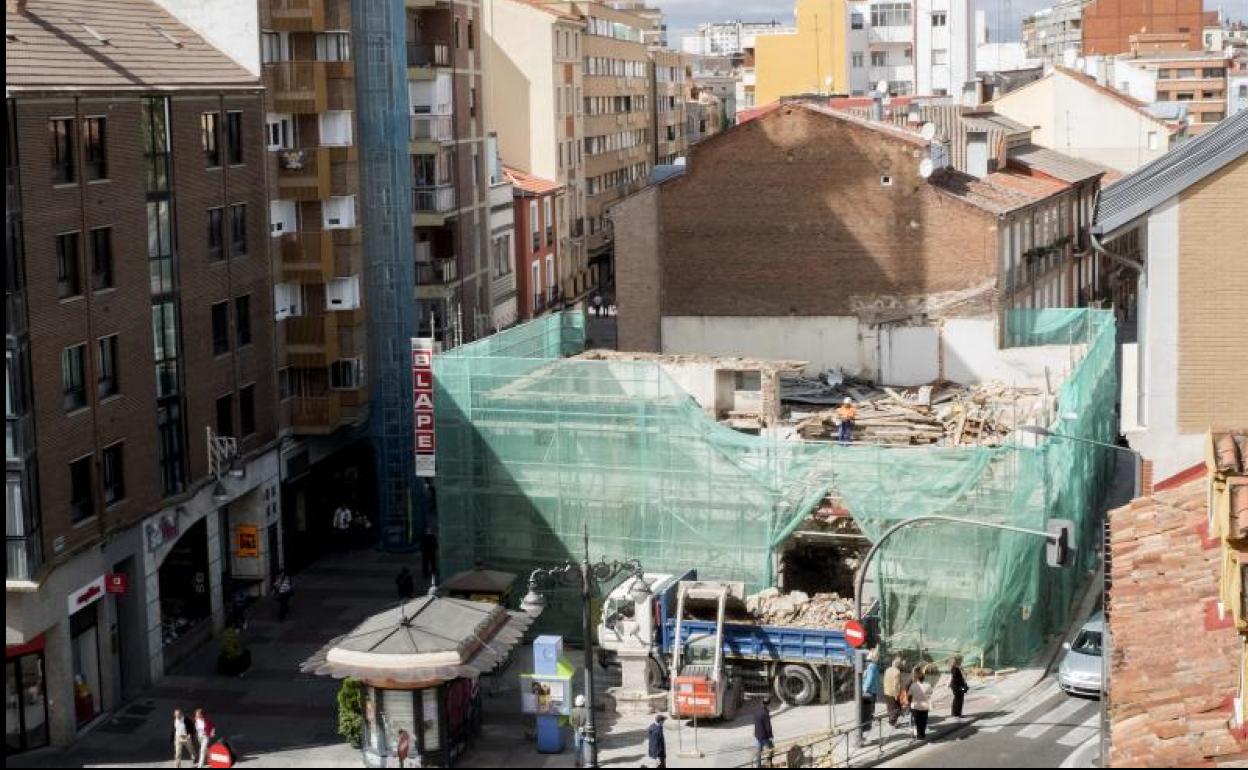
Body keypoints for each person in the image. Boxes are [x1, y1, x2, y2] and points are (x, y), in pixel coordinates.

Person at [861, 649, 883, 740]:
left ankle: (862, 734)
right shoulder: (874, 666)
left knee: (866, 712)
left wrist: (864, 689)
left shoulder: (871, 666)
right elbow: (872, 679)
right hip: (871, 692)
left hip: (869, 692)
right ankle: (862, 734)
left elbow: (869, 679)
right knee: (868, 711)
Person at [907, 666, 933, 740]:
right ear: (924, 678)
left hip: (915, 706)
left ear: (917, 678)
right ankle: (922, 734)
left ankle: (919, 735)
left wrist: (909, 703)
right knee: (923, 721)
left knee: (917, 721)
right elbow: (931, 693)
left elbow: (909, 695)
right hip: (925, 706)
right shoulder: (928, 685)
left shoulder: (913, 685)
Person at [752, 698, 774, 768]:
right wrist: (770, 736)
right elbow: (768, 727)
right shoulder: (765, 714)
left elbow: (756, 723)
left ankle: (758, 766)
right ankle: (769, 761)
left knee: (759, 751)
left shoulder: (757, 711)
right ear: (767, 704)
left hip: (758, 735)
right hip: (764, 736)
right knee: (772, 748)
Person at [569, 693, 590, 767]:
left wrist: (576, 727)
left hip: (577, 731)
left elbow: (571, 722)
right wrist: (583, 728)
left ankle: (577, 761)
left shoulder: (573, 711)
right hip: (585, 731)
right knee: (585, 747)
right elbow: (588, 722)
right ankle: (586, 761)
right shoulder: (586, 711)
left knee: (577, 747)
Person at [883, 655, 904, 727]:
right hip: (893, 693)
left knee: (890, 708)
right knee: (898, 709)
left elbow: (885, 680)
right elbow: (896, 685)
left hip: (886, 692)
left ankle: (893, 722)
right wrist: (896, 695)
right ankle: (891, 722)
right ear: (898, 664)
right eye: (900, 663)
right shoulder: (897, 672)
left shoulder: (887, 669)